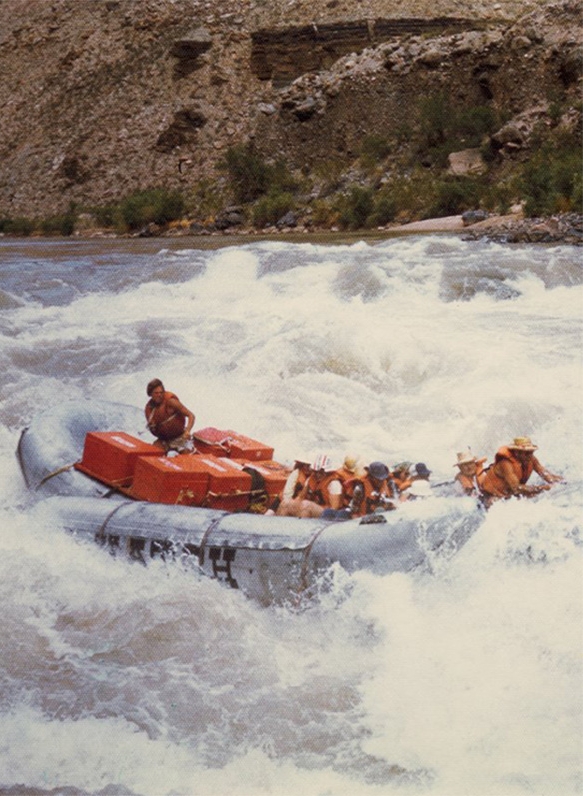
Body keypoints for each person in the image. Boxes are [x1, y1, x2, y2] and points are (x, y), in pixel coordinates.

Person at [479, 436, 562, 504]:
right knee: (494, 502)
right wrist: (543, 488)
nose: (529, 456)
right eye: (526, 453)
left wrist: (562, 482)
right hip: (491, 496)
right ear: (517, 452)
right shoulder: (505, 464)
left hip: (511, 495)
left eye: (531, 452)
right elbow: (517, 488)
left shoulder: (531, 459)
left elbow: (547, 475)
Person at [277, 454, 344, 518]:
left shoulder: (334, 484)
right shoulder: (310, 479)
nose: (318, 474)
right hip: (310, 505)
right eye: (315, 471)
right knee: (286, 503)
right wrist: (293, 505)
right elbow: (300, 497)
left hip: (326, 514)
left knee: (306, 505)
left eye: (321, 472)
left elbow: (334, 509)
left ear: (328, 472)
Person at [145, 378, 195, 452]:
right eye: (156, 393)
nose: (159, 395)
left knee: (186, 457)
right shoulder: (149, 409)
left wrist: (187, 431)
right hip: (164, 440)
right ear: (150, 394)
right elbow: (154, 429)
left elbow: (191, 416)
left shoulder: (171, 402)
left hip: (180, 438)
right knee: (153, 453)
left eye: (161, 392)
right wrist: (152, 426)